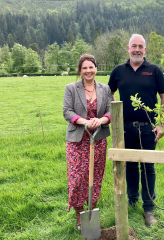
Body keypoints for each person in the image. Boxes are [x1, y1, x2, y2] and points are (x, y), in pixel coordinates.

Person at [108, 34, 164, 226]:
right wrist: (113, 118)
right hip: (125, 128)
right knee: (131, 165)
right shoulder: (118, 71)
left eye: (140, 46)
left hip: (149, 129)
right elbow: (109, 92)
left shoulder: (154, 71)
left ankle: (148, 208)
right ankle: (132, 201)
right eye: (134, 46)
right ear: (128, 48)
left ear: (145, 50)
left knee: (148, 166)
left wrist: (162, 124)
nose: (137, 49)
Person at [63, 54, 112, 229]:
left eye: (91, 67)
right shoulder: (71, 88)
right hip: (78, 141)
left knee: (95, 178)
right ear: (80, 70)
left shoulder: (105, 89)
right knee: (77, 179)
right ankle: (79, 216)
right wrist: (85, 122)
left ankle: (91, 214)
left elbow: (111, 110)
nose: (88, 71)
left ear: (96, 69)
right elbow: (67, 111)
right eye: (84, 68)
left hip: (97, 140)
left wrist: (100, 121)